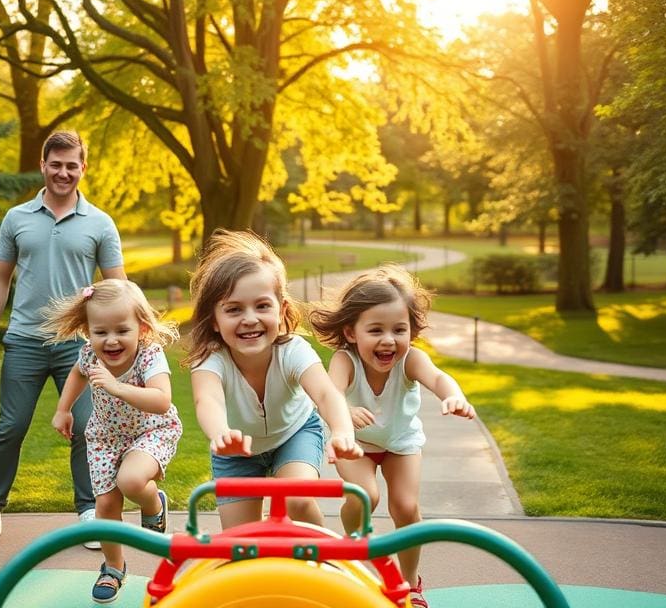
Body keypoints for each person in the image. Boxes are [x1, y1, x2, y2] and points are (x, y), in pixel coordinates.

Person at [0, 130, 125, 551]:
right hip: (25, 340)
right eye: (56, 164)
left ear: (83, 168)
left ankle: (90, 512)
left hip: (78, 345)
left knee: (87, 426)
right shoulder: (17, 218)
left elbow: (118, 287)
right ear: (43, 165)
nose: (63, 173)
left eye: (72, 166)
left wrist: (118, 342)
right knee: (11, 427)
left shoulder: (100, 223)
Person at [309, 264, 476, 608]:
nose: (389, 340)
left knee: (406, 506)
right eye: (376, 330)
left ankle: (410, 583)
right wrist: (345, 411)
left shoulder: (411, 359)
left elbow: (438, 378)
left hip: (401, 444)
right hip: (355, 443)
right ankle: (353, 546)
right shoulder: (345, 360)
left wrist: (453, 396)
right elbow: (329, 393)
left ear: (411, 331)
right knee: (365, 497)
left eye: (399, 330)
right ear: (351, 332)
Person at [186, 229, 363, 530]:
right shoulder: (210, 360)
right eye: (234, 309)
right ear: (214, 320)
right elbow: (208, 399)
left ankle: (321, 551)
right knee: (241, 540)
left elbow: (325, 394)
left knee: (298, 500)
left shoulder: (292, 350)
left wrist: (342, 431)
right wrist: (221, 434)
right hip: (236, 451)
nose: (250, 319)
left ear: (282, 311)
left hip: (295, 434)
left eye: (262, 306)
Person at [45, 278, 182, 604]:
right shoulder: (89, 355)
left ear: (142, 328)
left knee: (131, 480)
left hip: (151, 430)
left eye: (122, 330)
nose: (111, 340)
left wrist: (117, 387)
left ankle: (153, 504)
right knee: (105, 505)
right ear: (87, 331)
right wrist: (63, 409)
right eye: (100, 331)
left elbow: (162, 400)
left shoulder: (150, 355)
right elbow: (77, 373)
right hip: (106, 437)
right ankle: (113, 568)